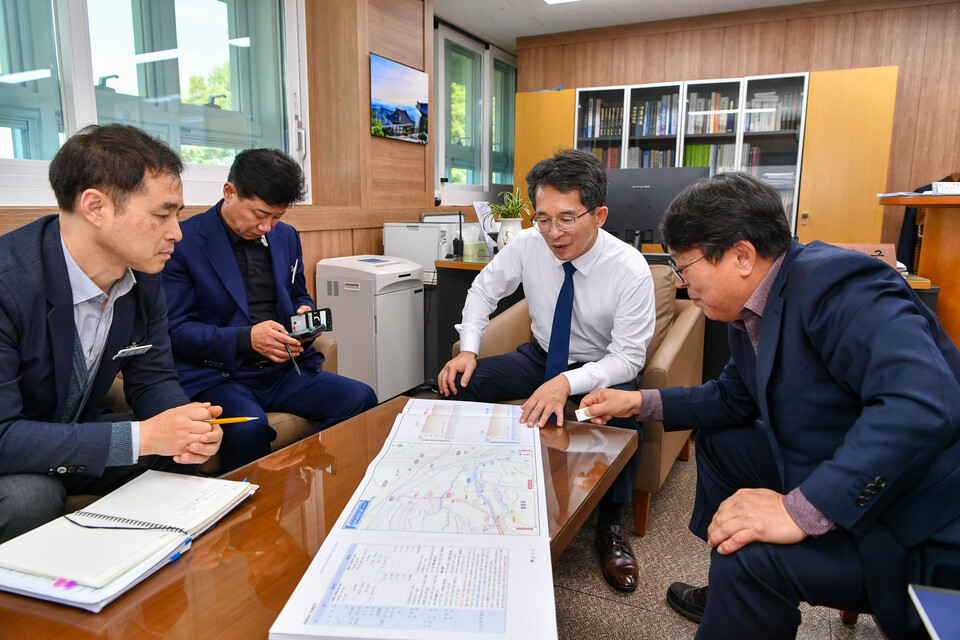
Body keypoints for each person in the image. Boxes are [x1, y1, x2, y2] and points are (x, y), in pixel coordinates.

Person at [581, 171, 960, 639]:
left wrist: (799, 510)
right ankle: (731, 589)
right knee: (722, 441)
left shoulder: (840, 285)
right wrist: (637, 400)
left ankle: (745, 581)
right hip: (834, 460)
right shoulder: (753, 307)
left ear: (742, 255)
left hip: (913, 522)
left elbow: (923, 403)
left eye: (684, 266)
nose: (679, 283)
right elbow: (731, 398)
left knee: (748, 559)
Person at [437, 149, 657, 591]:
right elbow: (483, 290)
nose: (553, 233)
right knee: (458, 383)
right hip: (539, 356)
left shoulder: (630, 269)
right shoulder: (527, 244)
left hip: (602, 370)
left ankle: (610, 528)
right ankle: (469, 491)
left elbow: (629, 358)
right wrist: (470, 349)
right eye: (542, 218)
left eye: (566, 218)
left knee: (626, 414)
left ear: (599, 215)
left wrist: (566, 383)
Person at [0, 123, 224, 544]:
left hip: (71, 432)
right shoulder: (8, 284)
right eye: (163, 215)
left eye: (178, 215)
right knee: (31, 495)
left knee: (176, 456)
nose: (177, 232)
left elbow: (154, 377)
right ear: (96, 207)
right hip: (11, 448)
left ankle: (152, 583)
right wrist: (145, 434)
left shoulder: (143, 275)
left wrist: (182, 425)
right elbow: (4, 436)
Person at [161, 149, 377, 471]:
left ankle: (302, 466)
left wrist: (304, 309)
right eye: (259, 214)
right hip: (220, 376)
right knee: (249, 426)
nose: (267, 227)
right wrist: (246, 339)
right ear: (229, 192)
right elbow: (174, 330)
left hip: (283, 369)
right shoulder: (184, 242)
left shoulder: (285, 237)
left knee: (362, 397)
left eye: (277, 217)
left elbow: (298, 292)